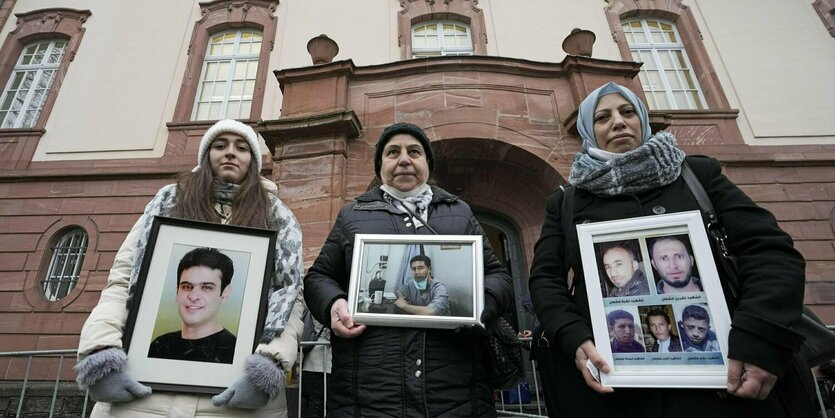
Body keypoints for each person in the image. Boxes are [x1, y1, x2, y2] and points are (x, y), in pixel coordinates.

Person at [528, 82, 816, 417]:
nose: (618, 122)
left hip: (732, 384)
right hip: (617, 391)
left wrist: (760, 340)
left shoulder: (697, 175)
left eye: (628, 111)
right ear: (588, 132)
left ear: (643, 120)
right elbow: (545, 279)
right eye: (602, 117)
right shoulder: (567, 201)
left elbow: (768, 251)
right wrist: (572, 336)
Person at [74, 119, 305, 418]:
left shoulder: (278, 217)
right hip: (143, 394)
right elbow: (122, 282)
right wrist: (100, 352)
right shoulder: (168, 202)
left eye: (242, 147)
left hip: (231, 401)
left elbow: (288, 298)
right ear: (207, 155)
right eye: (220, 146)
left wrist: (270, 366)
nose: (230, 153)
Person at [303, 122, 514, 417]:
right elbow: (319, 277)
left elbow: (497, 275)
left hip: (454, 387)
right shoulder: (352, 215)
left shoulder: (460, 212)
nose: (404, 159)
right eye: (392, 152)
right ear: (380, 167)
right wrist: (334, 303)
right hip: (369, 390)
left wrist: (482, 307)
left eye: (414, 152)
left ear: (427, 163)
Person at [147, 247, 237, 364]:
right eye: (187, 287)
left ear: (224, 294)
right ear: (177, 291)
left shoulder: (234, 352)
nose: (193, 297)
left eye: (206, 287)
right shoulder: (160, 345)